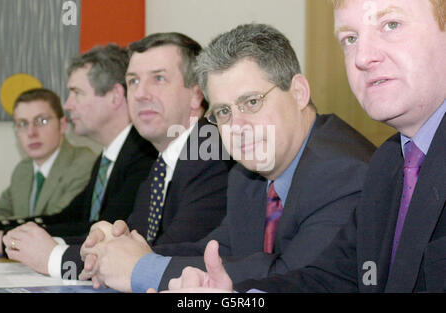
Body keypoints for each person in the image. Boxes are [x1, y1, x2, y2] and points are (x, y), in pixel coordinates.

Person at [164, 0, 446, 293]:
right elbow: (331, 280)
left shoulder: (347, 169)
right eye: (350, 39)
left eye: (391, 25)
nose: (363, 57)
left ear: (299, 92)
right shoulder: (391, 162)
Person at [79, 24, 376, 293]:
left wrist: (141, 269)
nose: (237, 127)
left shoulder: (342, 170)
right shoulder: (246, 175)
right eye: (223, 112)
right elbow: (219, 251)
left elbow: (292, 277)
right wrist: (123, 250)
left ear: (298, 92)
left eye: (251, 102)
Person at [53, 33, 233, 282]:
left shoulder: (212, 151)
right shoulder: (162, 162)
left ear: (196, 94)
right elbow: (135, 238)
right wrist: (105, 239)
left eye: (158, 78)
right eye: (134, 81)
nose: (140, 94)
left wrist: (54, 257)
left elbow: (165, 254)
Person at [0, 44, 158, 276]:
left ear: (114, 97)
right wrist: (8, 233)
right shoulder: (107, 158)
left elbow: (106, 229)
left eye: (77, 93)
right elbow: (72, 217)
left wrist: (7, 241)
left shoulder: (145, 154)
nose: (68, 104)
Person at [0, 88, 96, 221]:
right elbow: (0, 211)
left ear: (63, 125)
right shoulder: (23, 169)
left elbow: (57, 221)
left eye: (41, 121)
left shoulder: (84, 163)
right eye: (23, 124)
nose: (31, 133)